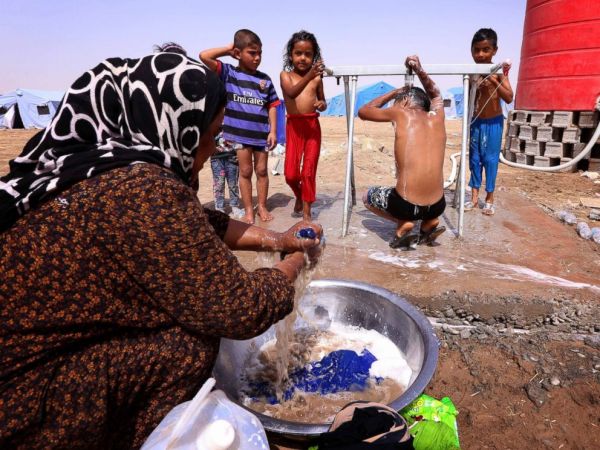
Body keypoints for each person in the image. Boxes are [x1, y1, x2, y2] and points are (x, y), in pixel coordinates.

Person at [0, 49, 322, 449]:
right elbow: (241, 309)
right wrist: (296, 259)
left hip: (20, 372)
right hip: (24, 406)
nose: (213, 144)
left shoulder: (89, 164)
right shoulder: (141, 188)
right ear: (182, 124)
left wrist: (278, 239)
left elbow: (196, 224)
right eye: (212, 129)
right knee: (190, 339)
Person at [359, 55, 447, 249]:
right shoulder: (438, 116)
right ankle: (429, 221)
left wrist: (393, 93)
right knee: (427, 200)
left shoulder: (401, 113)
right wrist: (419, 69)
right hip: (439, 203)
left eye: (396, 103)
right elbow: (436, 95)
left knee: (367, 196)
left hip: (406, 204)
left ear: (405, 102)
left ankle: (404, 223)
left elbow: (364, 111)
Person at [200, 29, 279, 224]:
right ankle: (248, 210)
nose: (257, 57)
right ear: (238, 53)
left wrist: (274, 131)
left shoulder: (265, 80)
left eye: (260, 53)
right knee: (245, 172)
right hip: (240, 136)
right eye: (252, 53)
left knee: (261, 170)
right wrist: (227, 49)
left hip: (261, 135)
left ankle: (261, 206)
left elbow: (273, 106)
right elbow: (204, 56)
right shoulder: (229, 73)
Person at [466, 28, 514, 216]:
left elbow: (509, 97)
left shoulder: (499, 73)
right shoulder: (470, 72)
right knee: (475, 159)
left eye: (485, 50)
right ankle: (474, 198)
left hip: (494, 123)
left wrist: (493, 79)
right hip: (476, 123)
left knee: (490, 160)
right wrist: (474, 82)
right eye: (476, 50)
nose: (480, 54)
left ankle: (490, 198)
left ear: (494, 50)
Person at [280, 30, 326, 221]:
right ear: (291, 55)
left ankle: (307, 215)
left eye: (308, 54)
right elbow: (291, 93)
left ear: (313, 56)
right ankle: (299, 195)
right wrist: (309, 76)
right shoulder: (285, 76)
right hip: (294, 127)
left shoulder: (317, 79)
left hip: (312, 127)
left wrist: (322, 104)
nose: (303, 58)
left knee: (308, 172)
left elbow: (323, 101)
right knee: (290, 175)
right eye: (298, 53)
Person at [211, 130, 244, 217]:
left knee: (233, 184)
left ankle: (234, 206)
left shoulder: (234, 119)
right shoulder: (213, 120)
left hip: (232, 157)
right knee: (219, 185)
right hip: (216, 158)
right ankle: (219, 207)